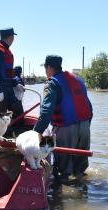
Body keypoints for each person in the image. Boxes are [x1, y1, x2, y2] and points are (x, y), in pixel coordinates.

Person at [33, 55, 93, 183]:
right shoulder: (78, 79)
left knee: (62, 171)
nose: (45, 72)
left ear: (49, 67)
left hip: (66, 128)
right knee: (80, 169)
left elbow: (45, 112)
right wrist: (85, 126)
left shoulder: (52, 83)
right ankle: (83, 191)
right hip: (85, 126)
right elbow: (89, 106)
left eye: (45, 69)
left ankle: (63, 197)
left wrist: (35, 133)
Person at [0, 28, 24, 120]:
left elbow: (8, 72)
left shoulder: (6, 51)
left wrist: (16, 83)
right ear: (11, 37)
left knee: (18, 112)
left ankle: (15, 132)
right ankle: (4, 134)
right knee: (1, 119)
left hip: (8, 88)